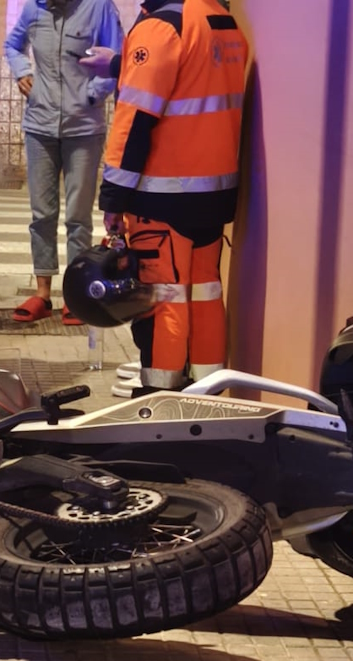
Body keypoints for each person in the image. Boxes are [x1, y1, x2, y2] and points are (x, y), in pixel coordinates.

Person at [96, 0, 248, 392]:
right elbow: (191, 77)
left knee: (166, 298)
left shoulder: (161, 28)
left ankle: (159, 398)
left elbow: (136, 121)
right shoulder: (224, 23)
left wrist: (113, 197)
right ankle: (209, 391)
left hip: (162, 197)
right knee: (205, 294)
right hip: (212, 195)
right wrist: (119, 63)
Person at [4, 0, 124, 326]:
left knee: (78, 216)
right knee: (42, 214)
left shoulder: (99, 8)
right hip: (39, 126)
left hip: (84, 128)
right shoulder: (34, 9)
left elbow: (120, 59)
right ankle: (42, 293)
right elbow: (12, 44)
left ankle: (76, 294)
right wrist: (22, 71)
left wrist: (91, 94)